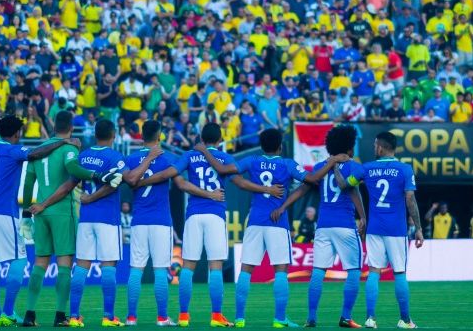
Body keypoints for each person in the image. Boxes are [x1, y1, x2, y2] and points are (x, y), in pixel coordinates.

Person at [197, 128, 326, 328]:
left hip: (255, 220)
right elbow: (311, 180)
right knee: (281, 270)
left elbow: (233, 177)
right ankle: (279, 318)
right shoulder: (287, 164)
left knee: (246, 270)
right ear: (280, 146)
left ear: (262, 145)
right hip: (277, 221)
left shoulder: (252, 161)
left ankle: (239, 318)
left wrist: (257, 187)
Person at [142, 123, 263, 327]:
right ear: (221, 138)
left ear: (201, 137)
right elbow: (240, 182)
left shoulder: (190, 155)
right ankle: (216, 316)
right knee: (215, 266)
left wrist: (142, 181)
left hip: (193, 215)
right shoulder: (224, 158)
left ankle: (183, 316)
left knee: (188, 267)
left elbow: (171, 175)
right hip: (215, 214)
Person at [0, 115, 74, 327]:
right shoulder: (12, 150)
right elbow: (36, 153)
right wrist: (62, 141)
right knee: (20, 261)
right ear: (16, 134)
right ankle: (8, 311)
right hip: (3, 212)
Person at [24, 111, 118, 327]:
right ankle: (60, 315)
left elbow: (28, 182)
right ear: (71, 128)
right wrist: (97, 175)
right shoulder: (68, 148)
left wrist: (27, 212)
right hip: (61, 211)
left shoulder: (39, 150)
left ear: (54, 125)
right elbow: (72, 169)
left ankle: (30, 314)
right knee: (64, 264)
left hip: (40, 210)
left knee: (40, 263)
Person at [270, 125, 366, 328]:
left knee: (318, 272)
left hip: (323, 227)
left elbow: (303, 190)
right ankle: (346, 317)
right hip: (345, 226)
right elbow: (353, 191)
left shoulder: (320, 167)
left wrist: (284, 206)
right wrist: (364, 218)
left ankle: (311, 318)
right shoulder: (354, 166)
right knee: (354, 271)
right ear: (349, 147)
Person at [340, 131, 421, 330]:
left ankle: (370, 318)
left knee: (374, 273)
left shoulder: (366, 168)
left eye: (375, 144)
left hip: (375, 228)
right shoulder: (405, 169)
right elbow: (410, 199)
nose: (373, 147)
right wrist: (418, 228)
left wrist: (334, 165)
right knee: (400, 273)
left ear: (381, 147)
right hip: (396, 229)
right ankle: (405, 320)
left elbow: (344, 184)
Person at [56, 119, 125, 327]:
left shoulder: (83, 155)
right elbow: (116, 184)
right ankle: (109, 317)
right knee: (109, 266)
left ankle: (75, 317)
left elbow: (69, 184)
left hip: (85, 219)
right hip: (107, 219)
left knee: (82, 266)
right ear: (113, 135)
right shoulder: (115, 156)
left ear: (95, 135)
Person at [122, 120, 180, 326]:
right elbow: (181, 182)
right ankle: (162, 318)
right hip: (161, 221)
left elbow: (128, 181)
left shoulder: (131, 158)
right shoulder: (168, 158)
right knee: (160, 270)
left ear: (141, 135)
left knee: (136, 270)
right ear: (160, 135)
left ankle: (131, 318)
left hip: (139, 221)